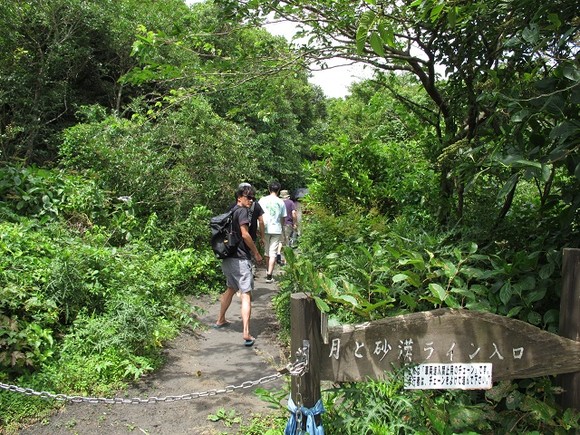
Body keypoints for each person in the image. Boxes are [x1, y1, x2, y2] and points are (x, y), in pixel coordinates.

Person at [215, 184, 263, 347]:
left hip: (227, 257)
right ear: (239, 198)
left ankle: (220, 319)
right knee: (246, 294)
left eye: (253, 198)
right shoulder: (242, 211)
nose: (251, 200)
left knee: (230, 288)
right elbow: (245, 235)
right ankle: (246, 332)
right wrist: (256, 252)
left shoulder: (231, 211)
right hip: (241, 259)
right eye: (248, 197)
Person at [258, 181, 287, 283]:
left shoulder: (262, 200)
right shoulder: (281, 202)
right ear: (278, 190)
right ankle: (270, 275)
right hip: (276, 229)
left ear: (269, 189)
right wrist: (282, 229)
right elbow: (283, 218)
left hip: (264, 228)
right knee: (273, 252)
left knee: (267, 252)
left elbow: (258, 214)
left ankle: (267, 272)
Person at [277, 189, 298, 263]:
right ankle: (286, 260)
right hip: (288, 224)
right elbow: (294, 214)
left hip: (279, 224)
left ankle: (278, 253)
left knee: (281, 240)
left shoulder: (278, 203)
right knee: (287, 241)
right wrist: (295, 223)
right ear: (288, 196)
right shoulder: (290, 202)